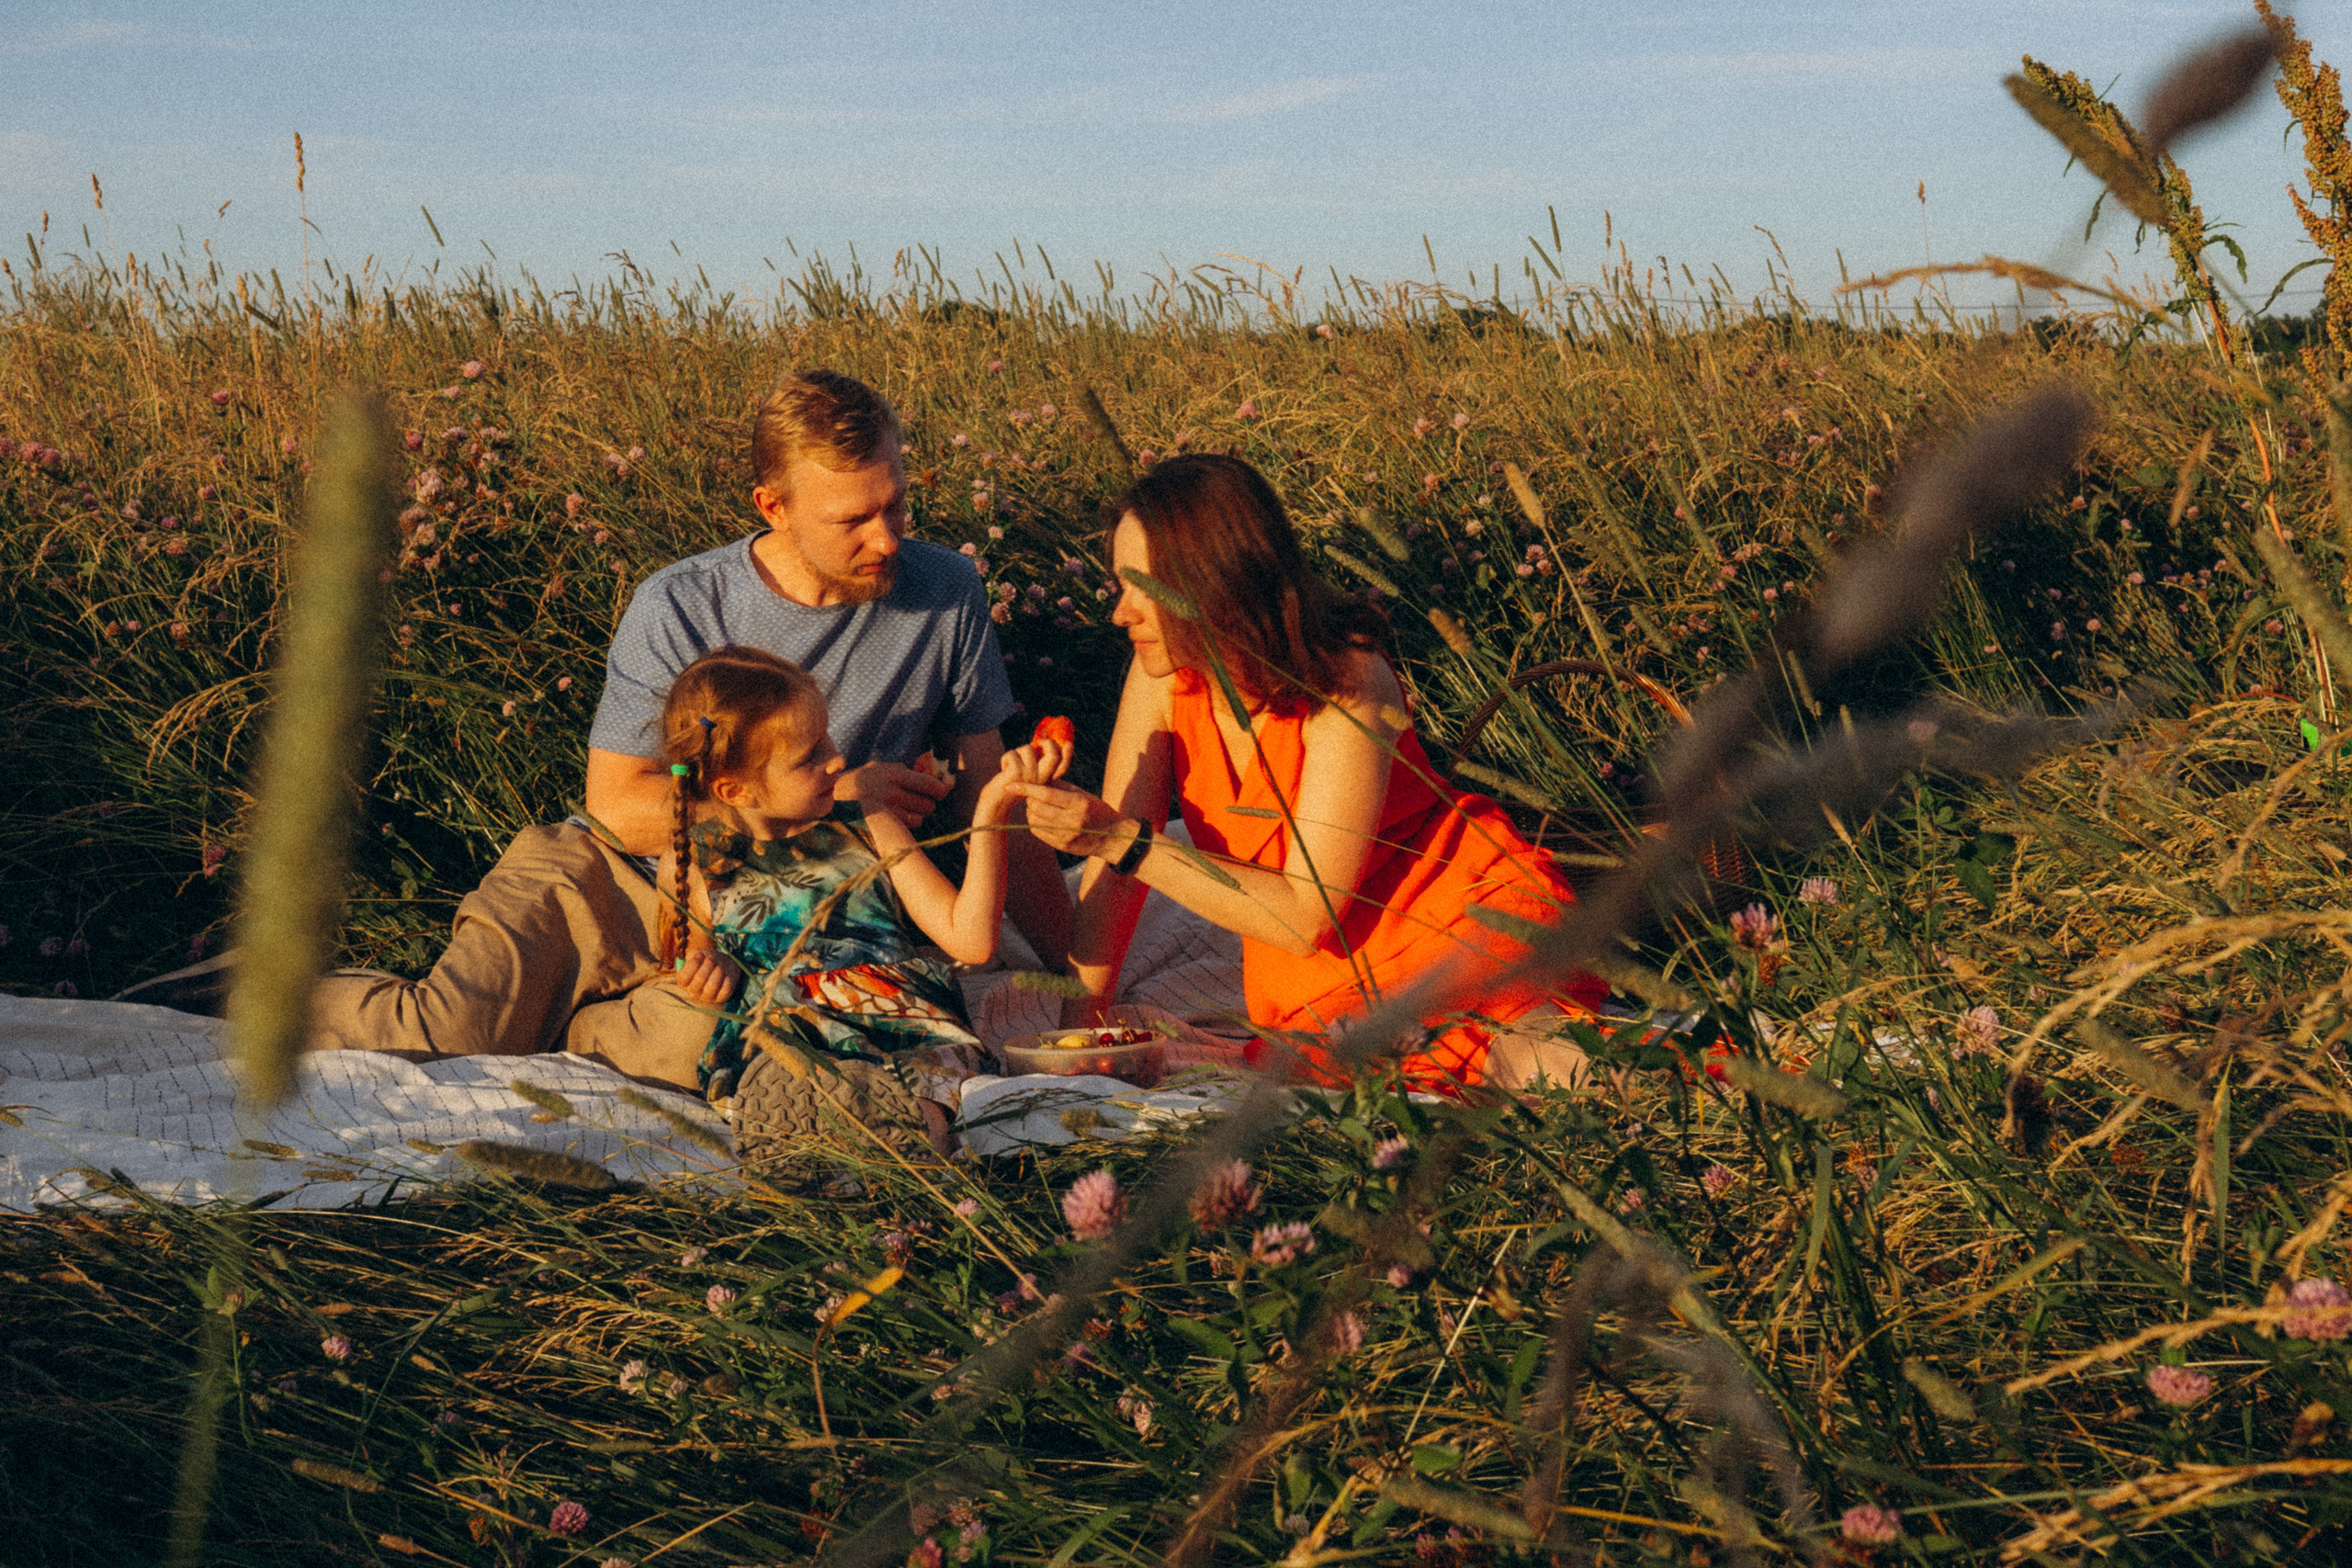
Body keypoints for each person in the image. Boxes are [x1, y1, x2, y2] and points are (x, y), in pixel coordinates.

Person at [125, 369, 1071, 1089]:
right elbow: (619, 805)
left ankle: (583, 1023)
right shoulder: (682, 604)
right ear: (774, 507)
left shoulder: (946, 590)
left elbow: (994, 799)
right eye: (854, 519)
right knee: (448, 1035)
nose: (888, 537)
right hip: (610, 877)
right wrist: (832, 795)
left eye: (898, 503)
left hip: (773, 913)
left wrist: (1080, 976)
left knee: (742, 1053)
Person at [1007, 455, 1605, 1093]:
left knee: (1536, 1063)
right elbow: (1114, 881)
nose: (1120, 613)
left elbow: (1305, 913)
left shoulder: (1349, 682)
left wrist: (1120, 840)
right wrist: (1074, 1042)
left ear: (1214, 582)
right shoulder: (1164, 676)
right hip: (1317, 989)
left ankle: (1667, 1106)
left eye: (1141, 588)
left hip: (1449, 925)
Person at [594, 645, 1067, 1156]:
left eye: (827, 736)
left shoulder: (869, 824)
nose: (838, 759)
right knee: (786, 1074)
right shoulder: (693, 862)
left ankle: (908, 1146)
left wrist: (992, 810)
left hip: (899, 1020)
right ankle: (806, 1141)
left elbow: (970, 941)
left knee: (922, 1088)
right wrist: (710, 971)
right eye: (810, 756)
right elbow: (694, 962)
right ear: (735, 790)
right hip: (787, 1029)